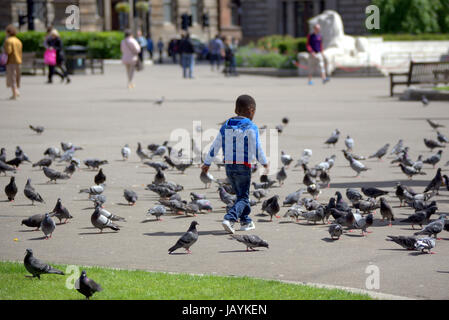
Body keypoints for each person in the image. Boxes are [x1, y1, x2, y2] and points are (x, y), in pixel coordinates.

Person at [202, 95, 268, 234]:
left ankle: (246, 221)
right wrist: (264, 162)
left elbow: (216, 145)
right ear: (251, 111)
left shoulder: (226, 125)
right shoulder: (251, 126)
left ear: (236, 109)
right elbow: (257, 147)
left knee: (240, 196)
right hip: (243, 166)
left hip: (229, 166)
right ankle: (229, 218)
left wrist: (207, 162)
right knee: (244, 197)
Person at [3, 24, 22, 100]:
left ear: (8, 32)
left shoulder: (8, 41)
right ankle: (16, 91)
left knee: (12, 77)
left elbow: (8, 51)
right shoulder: (18, 41)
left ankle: (15, 93)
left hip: (11, 61)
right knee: (16, 77)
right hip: (18, 61)